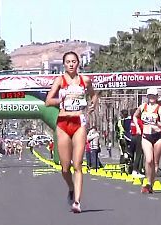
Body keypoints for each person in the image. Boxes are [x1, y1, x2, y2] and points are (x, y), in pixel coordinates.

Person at [45, 51, 98, 213]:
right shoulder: (60, 80)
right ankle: (70, 187)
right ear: (64, 64)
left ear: (78, 63)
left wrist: (92, 105)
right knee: (65, 167)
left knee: (78, 165)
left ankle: (77, 202)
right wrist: (61, 99)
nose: (71, 64)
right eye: (68, 61)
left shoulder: (85, 80)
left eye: (73, 61)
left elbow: (94, 95)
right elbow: (48, 101)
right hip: (63, 123)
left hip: (78, 123)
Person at [133, 87, 161, 194]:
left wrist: (156, 123)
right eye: (150, 95)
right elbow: (135, 116)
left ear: (156, 97)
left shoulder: (160, 109)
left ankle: (150, 184)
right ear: (147, 96)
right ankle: (147, 182)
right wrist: (138, 127)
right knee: (148, 160)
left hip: (158, 136)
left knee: (155, 163)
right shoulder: (143, 107)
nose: (152, 97)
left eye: (154, 95)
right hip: (146, 136)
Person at [129, 107, 144, 178]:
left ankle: (133, 169)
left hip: (133, 137)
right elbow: (143, 128)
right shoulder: (139, 121)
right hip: (138, 137)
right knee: (139, 154)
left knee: (133, 154)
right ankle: (135, 170)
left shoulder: (132, 121)